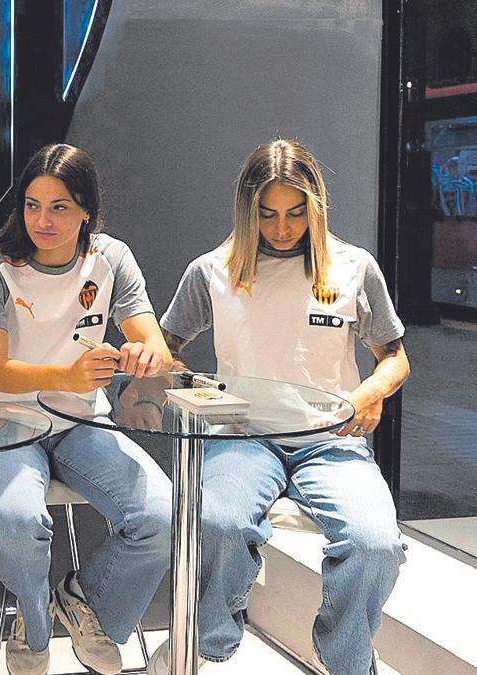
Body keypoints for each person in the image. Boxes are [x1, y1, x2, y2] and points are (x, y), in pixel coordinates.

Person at [153, 139, 408, 675]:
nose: (283, 227)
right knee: (218, 523)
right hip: (243, 439)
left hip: (330, 442)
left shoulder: (353, 267)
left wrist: (372, 391)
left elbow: (395, 358)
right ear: (248, 211)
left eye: (296, 213)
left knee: (377, 544)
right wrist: (179, 379)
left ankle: (347, 658)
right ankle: (210, 642)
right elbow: (164, 349)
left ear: (315, 207)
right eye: (267, 214)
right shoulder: (212, 271)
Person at [0, 143, 173, 675]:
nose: (43, 220)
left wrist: (146, 354)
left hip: (81, 422)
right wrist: (69, 374)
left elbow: (155, 344)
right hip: (0, 418)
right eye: (33, 205)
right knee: (15, 522)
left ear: (86, 209)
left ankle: (85, 603)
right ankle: (33, 629)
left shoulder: (111, 258)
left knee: (162, 514)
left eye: (59, 206)